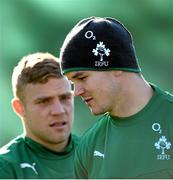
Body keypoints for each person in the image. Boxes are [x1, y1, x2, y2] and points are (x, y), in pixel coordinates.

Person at [59, 16, 173, 178]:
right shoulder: (89, 146)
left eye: (82, 77)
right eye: (72, 82)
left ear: (117, 67)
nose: (76, 92)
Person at [0, 52, 80, 179]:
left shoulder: (98, 155)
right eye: (44, 101)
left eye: (65, 98)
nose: (59, 110)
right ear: (19, 108)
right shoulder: (6, 168)